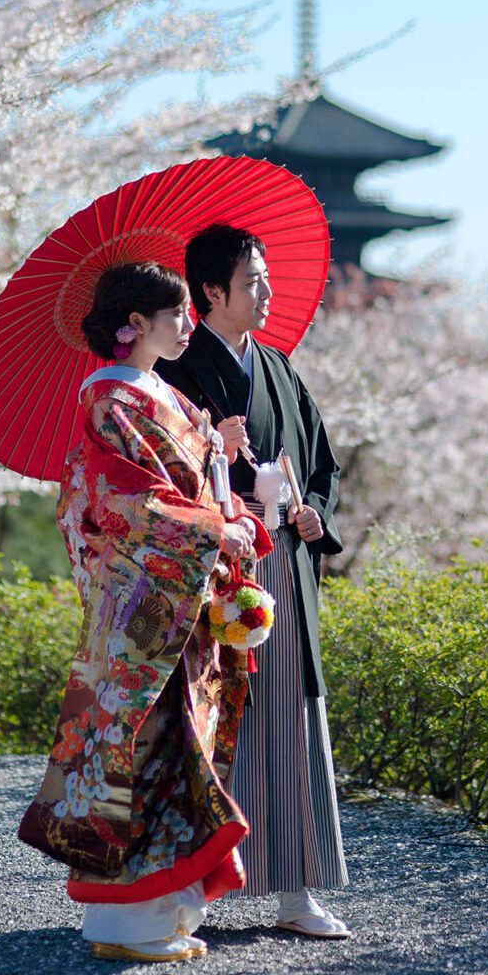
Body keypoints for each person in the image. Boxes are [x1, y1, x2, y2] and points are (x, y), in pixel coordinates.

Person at [18, 259, 270, 963]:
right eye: (176, 314)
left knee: (185, 743)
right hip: (143, 610)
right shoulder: (110, 397)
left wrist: (222, 468)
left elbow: (192, 487)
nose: (189, 324)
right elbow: (128, 499)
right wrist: (219, 528)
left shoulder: (164, 396)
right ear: (134, 324)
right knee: (148, 748)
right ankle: (126, 924)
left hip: (177, 602)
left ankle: (165, 914)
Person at [157, 224, 350, 938]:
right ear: (211, 292)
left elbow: (320, 461)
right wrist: (216, 451)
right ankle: (189, 892)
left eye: (265, 278)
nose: (266, 291)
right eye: (252, 281)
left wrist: (311, 513)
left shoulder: (277, 367)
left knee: (292, 727)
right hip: (217, 569)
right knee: (209, 723)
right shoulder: (175, 372)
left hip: (284, 570)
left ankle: (297, 890)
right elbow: (163, 478)